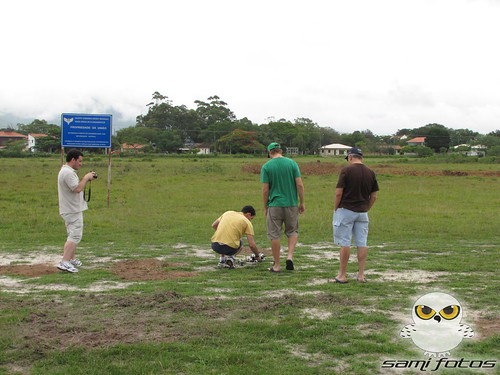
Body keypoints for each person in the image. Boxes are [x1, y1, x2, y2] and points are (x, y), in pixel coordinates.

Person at [330, 147, 379, 283]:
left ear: (350, 157)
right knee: (361, 243)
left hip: (346, 210)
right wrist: (366, 208)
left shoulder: (346, 170)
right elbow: (374, 196)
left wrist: (336, 208)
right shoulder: (370, 172)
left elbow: (338, 192)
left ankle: (342, 275)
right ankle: (361, 275)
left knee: (345, 242)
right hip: (362, 212)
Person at [260, 142, 305, 273]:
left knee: (275, 234)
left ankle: (277, 265)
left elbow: (265, 190)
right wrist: (302, 202)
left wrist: (265, 206)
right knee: (292, 231)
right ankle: (289, 256)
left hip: (274, 204)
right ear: (281, 151)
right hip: (291, 203)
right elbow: (300, 185)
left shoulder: (266, 166)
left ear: (269, 152)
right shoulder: (292, 163)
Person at [57, 149, 98, 273]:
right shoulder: (68, 173)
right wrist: (86, 178)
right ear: (73, 160)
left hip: (70, 208)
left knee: (72, 234)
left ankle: (70, 258)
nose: (80, 164)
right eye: (79, 161)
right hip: (71, 209)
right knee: (75, 235)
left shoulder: (67, 171)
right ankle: (64, 261)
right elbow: (77, 188)